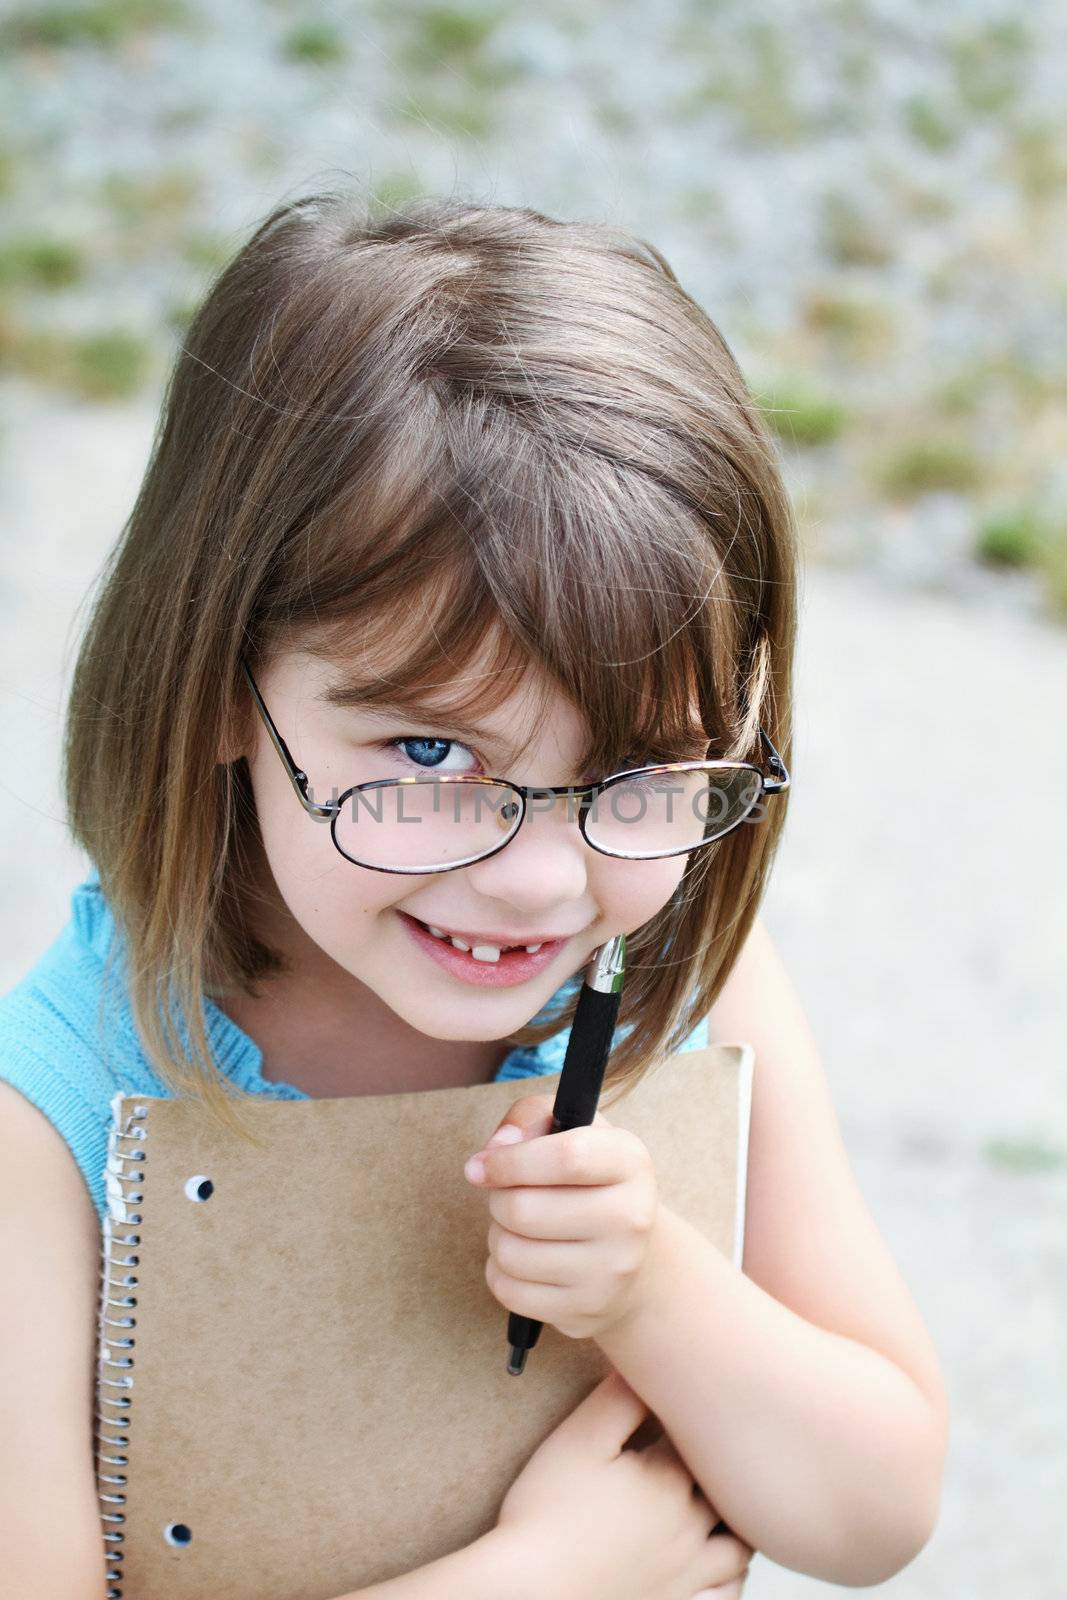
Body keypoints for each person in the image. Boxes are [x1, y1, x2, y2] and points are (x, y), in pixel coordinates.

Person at [0, 191, 948, 1600]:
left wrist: (655, 1289)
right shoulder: (58, 1116)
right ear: (215, 691)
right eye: (434, 754)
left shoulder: (690, 986)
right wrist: (548, 1577)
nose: (540, 879)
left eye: (638, 766)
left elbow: (876, 1514)